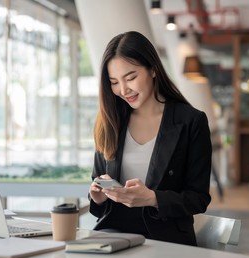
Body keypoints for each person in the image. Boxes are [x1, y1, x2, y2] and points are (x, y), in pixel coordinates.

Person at [89, 31, 212, 246]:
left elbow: (198, 199)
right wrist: (98, 197)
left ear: (153, 69)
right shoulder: (109, 121)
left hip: (167, 240)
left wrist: (152, 199)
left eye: (131, 77)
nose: (123, 90)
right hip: (114, 236)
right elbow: (98, 185)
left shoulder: (191, 121)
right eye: (114, 82)